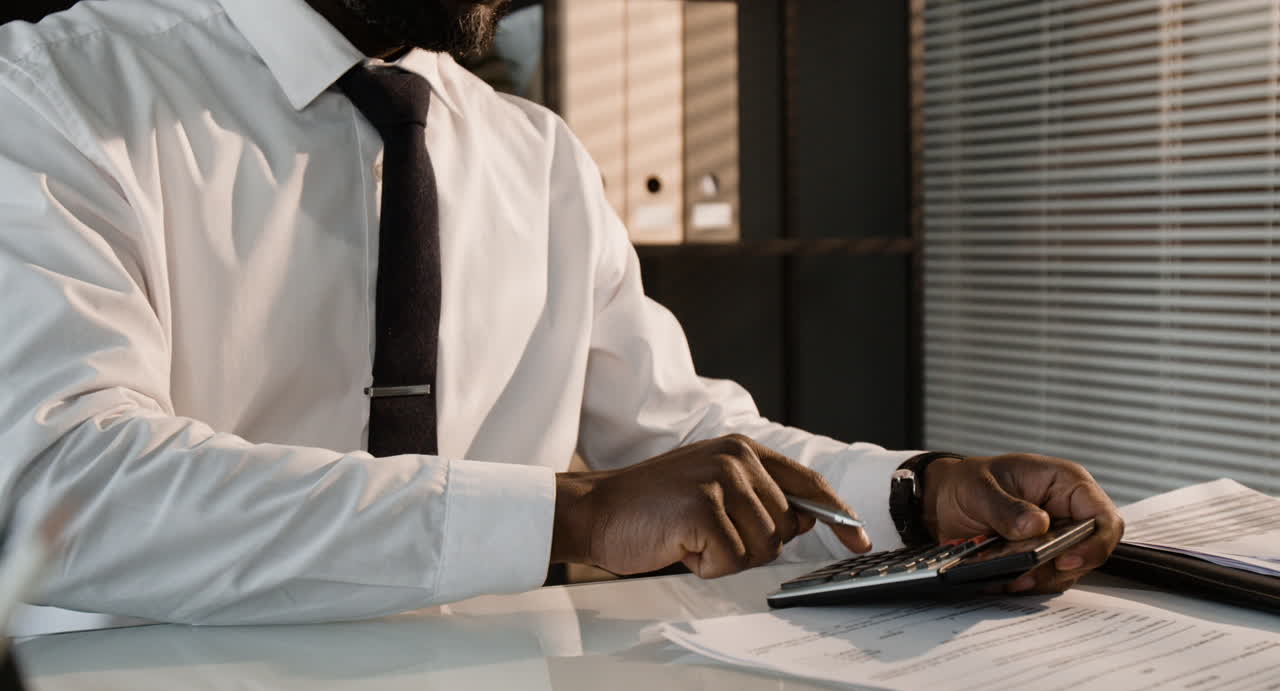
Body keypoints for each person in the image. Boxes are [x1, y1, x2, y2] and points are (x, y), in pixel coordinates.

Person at [0, 0, 1123, 625]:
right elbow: (64, 488)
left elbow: (680, 442)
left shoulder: (533, 154)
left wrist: (915, 495)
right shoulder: (53, 96)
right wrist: (566, 518)